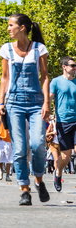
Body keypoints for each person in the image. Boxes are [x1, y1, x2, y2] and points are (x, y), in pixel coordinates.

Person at [0, 13, 50, 206]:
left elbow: (44, 77)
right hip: (14, 103)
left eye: (11, 25)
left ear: (22, 28)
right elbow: (4, 78)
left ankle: (38, 179)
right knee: (19, 149)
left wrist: (46, 103)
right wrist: (0, 103)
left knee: (37, 145)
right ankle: (24, 189)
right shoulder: (6, 49)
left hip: (36, 102)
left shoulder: (39, 48)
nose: (8, 29)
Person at [49, 56, 76, 192]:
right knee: (66, 155)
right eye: (72, 65)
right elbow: (49, 98)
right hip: (63, 122)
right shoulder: (56, 82)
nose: (74, 67)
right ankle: (58, 172)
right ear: (64, 67)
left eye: (75, 65)